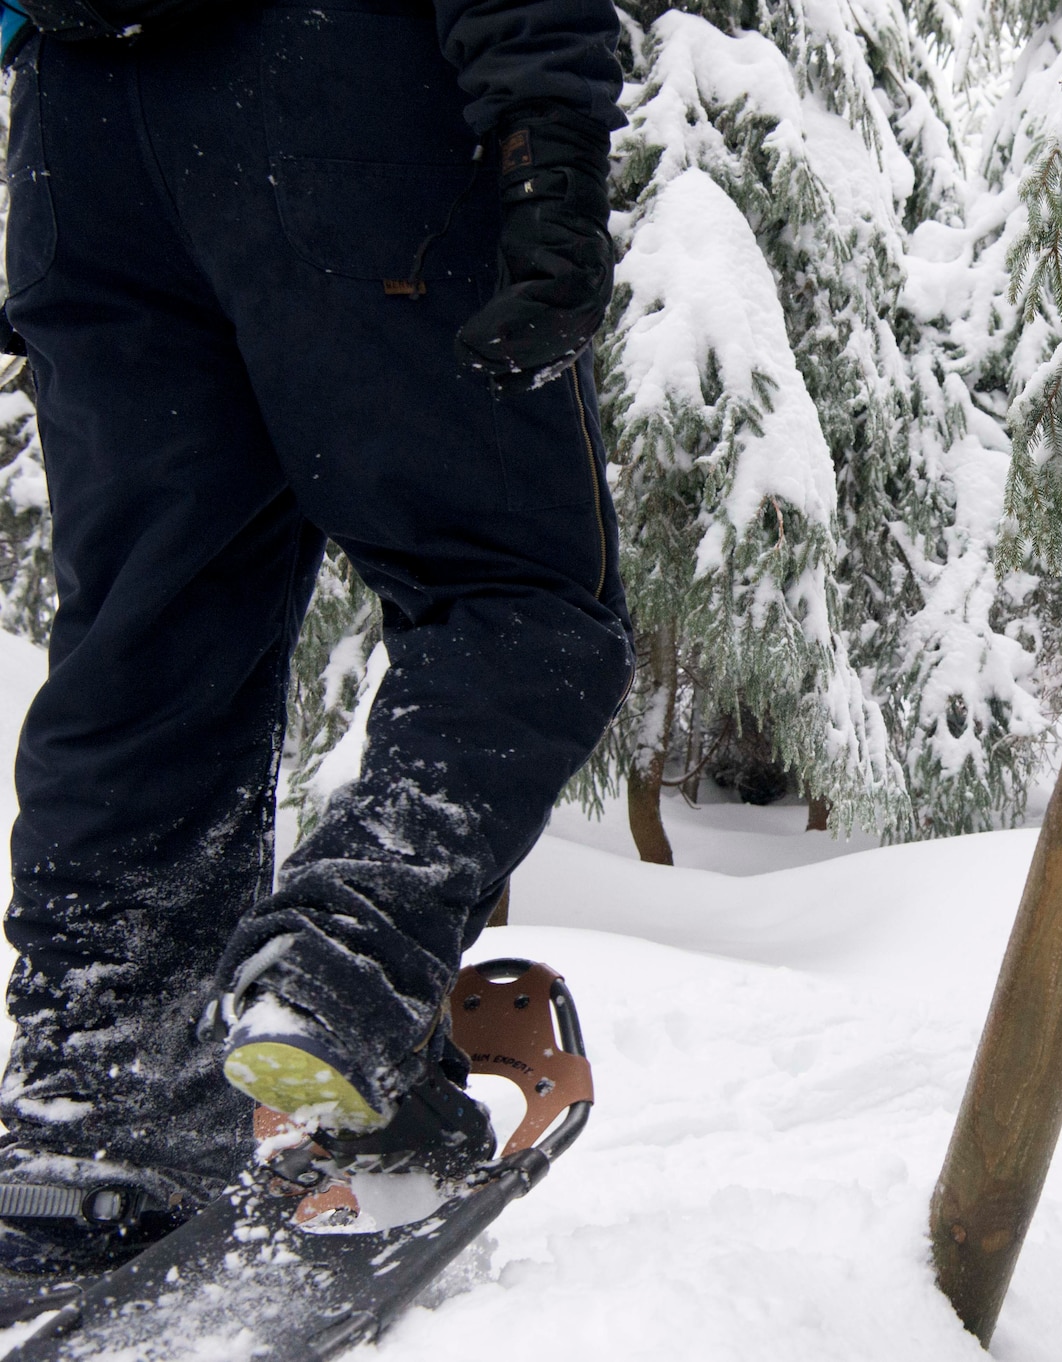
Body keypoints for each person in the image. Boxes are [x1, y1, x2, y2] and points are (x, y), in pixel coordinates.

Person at [0, 0, 632, 1278]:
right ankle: (343, 961)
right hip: (337, 90)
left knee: (151, 642)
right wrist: (547, 137)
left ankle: (98, 1103)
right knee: (518, 593)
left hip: (80, 135)